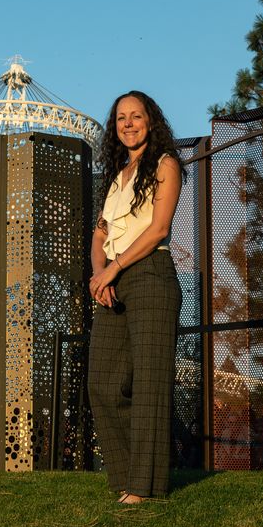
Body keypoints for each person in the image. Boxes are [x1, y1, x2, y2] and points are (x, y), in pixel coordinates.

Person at [87, 90, 184, 504]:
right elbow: (100, 235)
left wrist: (115, 267)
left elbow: (159, 229)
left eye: (136, 116)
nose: (128, 123)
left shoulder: (165, 165)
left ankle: (145, 488)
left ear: (151, 121)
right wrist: (100, 276)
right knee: (102, 384)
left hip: (150, 276)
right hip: (114, 279)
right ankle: (127, 477)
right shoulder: (116, 176)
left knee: (148, 384)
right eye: (121, 118)